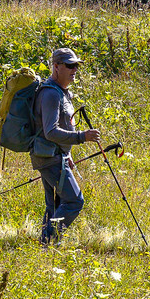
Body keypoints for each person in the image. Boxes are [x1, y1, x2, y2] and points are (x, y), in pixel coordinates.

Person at [32, 48, 100, 246]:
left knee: (55, 204)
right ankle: (48, 241)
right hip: (49, 157)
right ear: (56, 67)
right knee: (73, 201)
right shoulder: (51, 95)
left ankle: (47, 249)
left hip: (53, 156)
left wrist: (66, 153)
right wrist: (82, 137)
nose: (74, 70)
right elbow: (50, 131)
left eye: (76, 65)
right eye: (69, 65)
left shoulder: (61, 92)